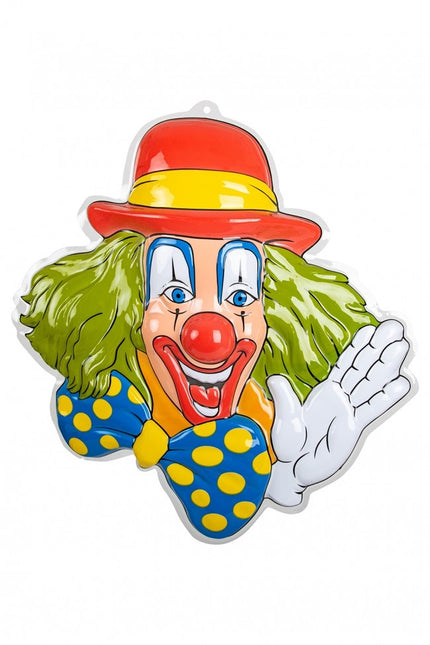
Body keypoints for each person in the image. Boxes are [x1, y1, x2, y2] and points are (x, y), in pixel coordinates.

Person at [20, 115, 410, 540]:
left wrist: (283, 477)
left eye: (240, 297)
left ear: (275, 311)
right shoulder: (107, 400)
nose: (209, 335)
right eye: (174, 291)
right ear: (127, 300)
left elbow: (250, 468)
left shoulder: (272, 422)